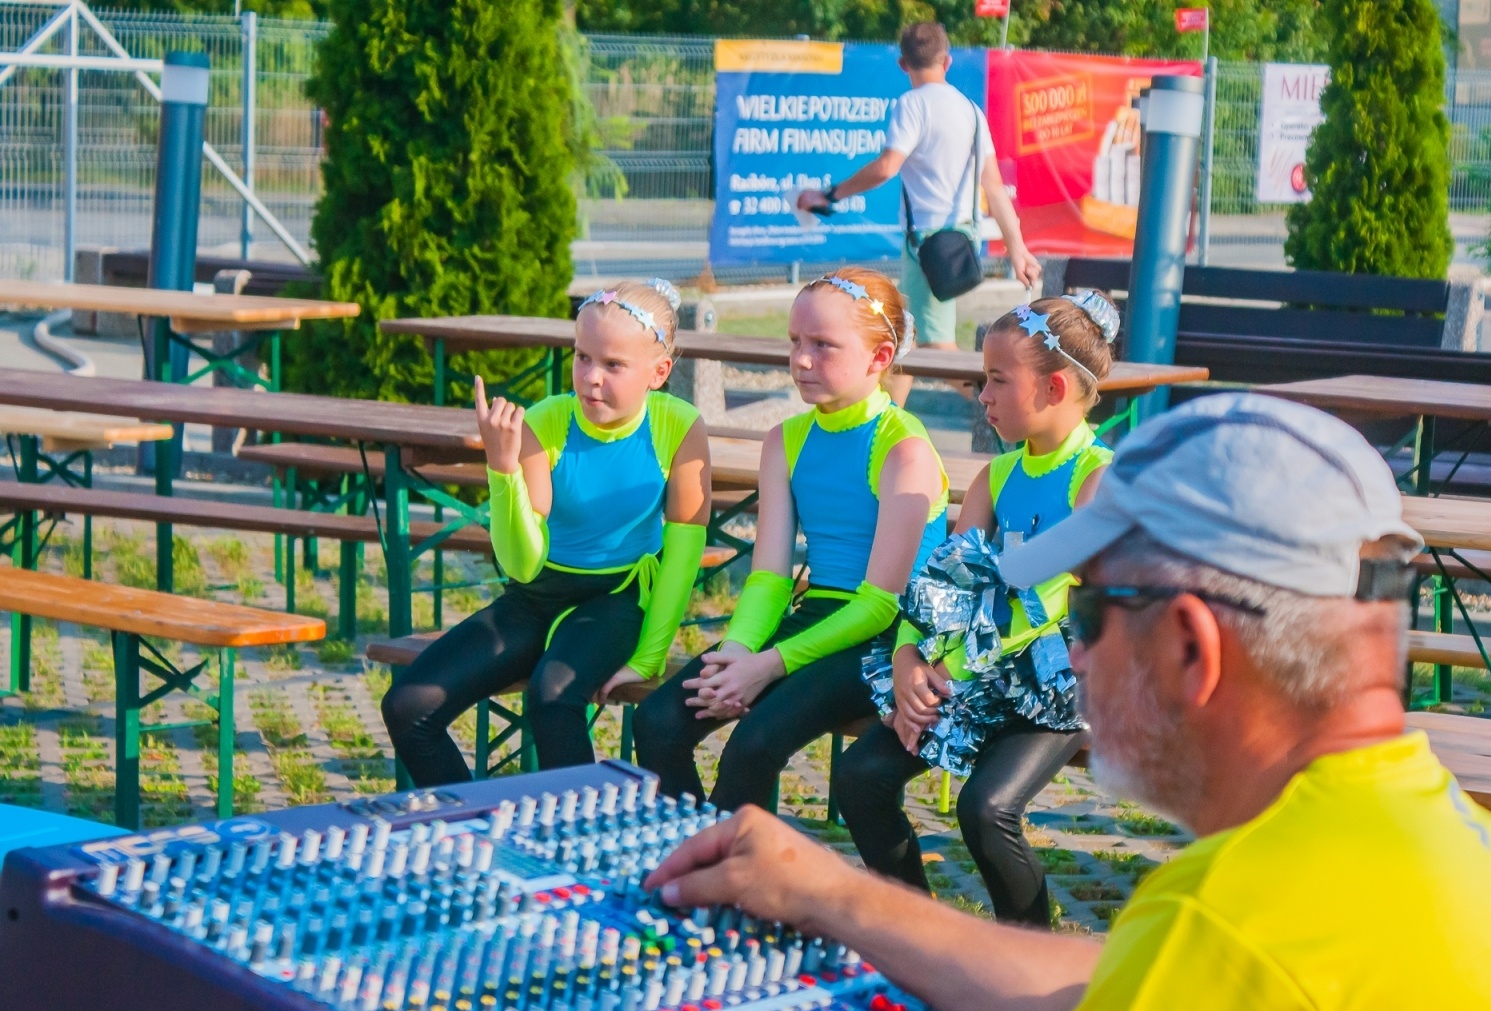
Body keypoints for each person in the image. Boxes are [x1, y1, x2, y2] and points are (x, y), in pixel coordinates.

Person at [448, 393, 1491, 1011]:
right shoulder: (1458, 852)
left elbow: (1207, 973)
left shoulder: (1239, 924)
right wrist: (836, 894)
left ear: (1194, 648)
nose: (1074, 651)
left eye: (1091, 611)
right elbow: (1110, 990)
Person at [836, 292, 1120, 927]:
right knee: (861, 778)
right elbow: (945, 584)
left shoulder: (1099, 477)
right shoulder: (996, 477)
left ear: (1051, 388)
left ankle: (1028, 957)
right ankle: (921, 937)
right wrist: (912, 660)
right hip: (975, 673)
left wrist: (960, 660)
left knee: (985, 810)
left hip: (1057, 681)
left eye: (996, 380)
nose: (981, 395)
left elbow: (1064, 582)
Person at [631, 267, 948, 810]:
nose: (801, 360)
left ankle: (737, 880)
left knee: (751, 747)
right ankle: (692, 859)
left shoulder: (904, 448)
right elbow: (770, 577)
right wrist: (735, 653)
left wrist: (767, 665)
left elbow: (878, 605)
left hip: (884, 640)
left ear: (879, 359)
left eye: (823, 346)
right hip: (815, 618)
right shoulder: (785, 439)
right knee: (658, 721)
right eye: (796, 342)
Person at [381, 280, 711, 785]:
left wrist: (649, 656)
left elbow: (683, 556)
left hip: (617, 598)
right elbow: (522, 565)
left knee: (552, 697)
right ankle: (475, 833)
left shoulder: (680, 425)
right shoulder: (548, 419)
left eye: (613, 365)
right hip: (536, 594)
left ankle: (581, 844)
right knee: (407, 706)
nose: (591, 378)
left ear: (659, 372)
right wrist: (502, 469)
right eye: (582, 358)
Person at [797, 22, 1040, 403]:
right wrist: (1017, 247)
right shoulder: (971, 111)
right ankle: (886, 419)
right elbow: (993, 186)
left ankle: (1000, 404)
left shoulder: (913, 104)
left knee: (933, 344)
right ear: (948, 60)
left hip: (928, 244)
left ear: (901, 63)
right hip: (958, 240)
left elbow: (887, 166)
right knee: (908, 336)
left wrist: (831, 194)